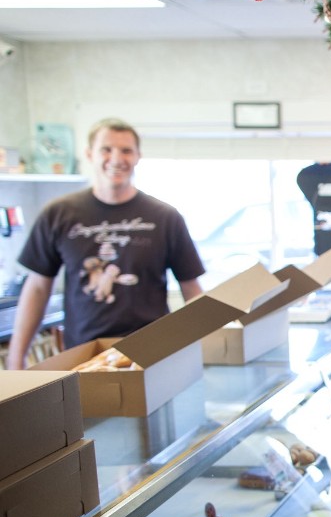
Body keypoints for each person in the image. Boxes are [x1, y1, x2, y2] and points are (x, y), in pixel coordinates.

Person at [6, 118, 204, 370]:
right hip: (84, 356)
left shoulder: (165, 217)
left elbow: (191, 289)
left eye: (126, 150)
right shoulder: (58, 214)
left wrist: (209, 346)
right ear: (90, 154)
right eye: (106, 149)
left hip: (153, 355)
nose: (116, 158)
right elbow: (37, 289)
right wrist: (16, 357)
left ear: (138, 156)